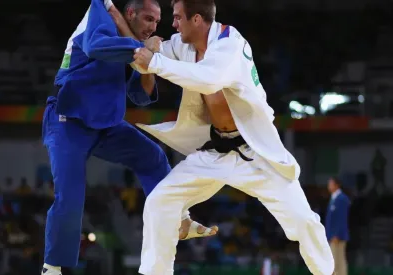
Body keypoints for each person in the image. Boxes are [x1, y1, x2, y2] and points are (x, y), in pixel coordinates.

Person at [128, 0, 335, 274]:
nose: (173, 24)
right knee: (159, 202)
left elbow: (208, 79)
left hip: (255, 154)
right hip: (215, 150)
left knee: (303, 221)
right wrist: (151, 48)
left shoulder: (230, 42)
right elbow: (152, 55)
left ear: (197, 19)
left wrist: (154, 61)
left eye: (178, 18)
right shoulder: (185, 45)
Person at [41, 1, 215, 274]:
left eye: (157, 22)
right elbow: (95, 46)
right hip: (68, 121)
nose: (152, 27)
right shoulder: (100, 10)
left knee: (153, 157)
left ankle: (179, 219)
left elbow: (141, 95)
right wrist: (141, 49)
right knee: (71, 198)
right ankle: (51, 267)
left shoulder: (133, 44)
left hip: (106, 125)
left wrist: (151, 63)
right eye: (148, 19)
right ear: (130, 13)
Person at [326, 177, 350, 275]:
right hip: (332, 235)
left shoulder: (342, 199)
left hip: (337, 236)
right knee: (334, 261)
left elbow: (341, 218)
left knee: (338, 261)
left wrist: (337, 234)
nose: (329, 186)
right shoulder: (334, 198)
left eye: (330, 184)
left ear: (337, 185)